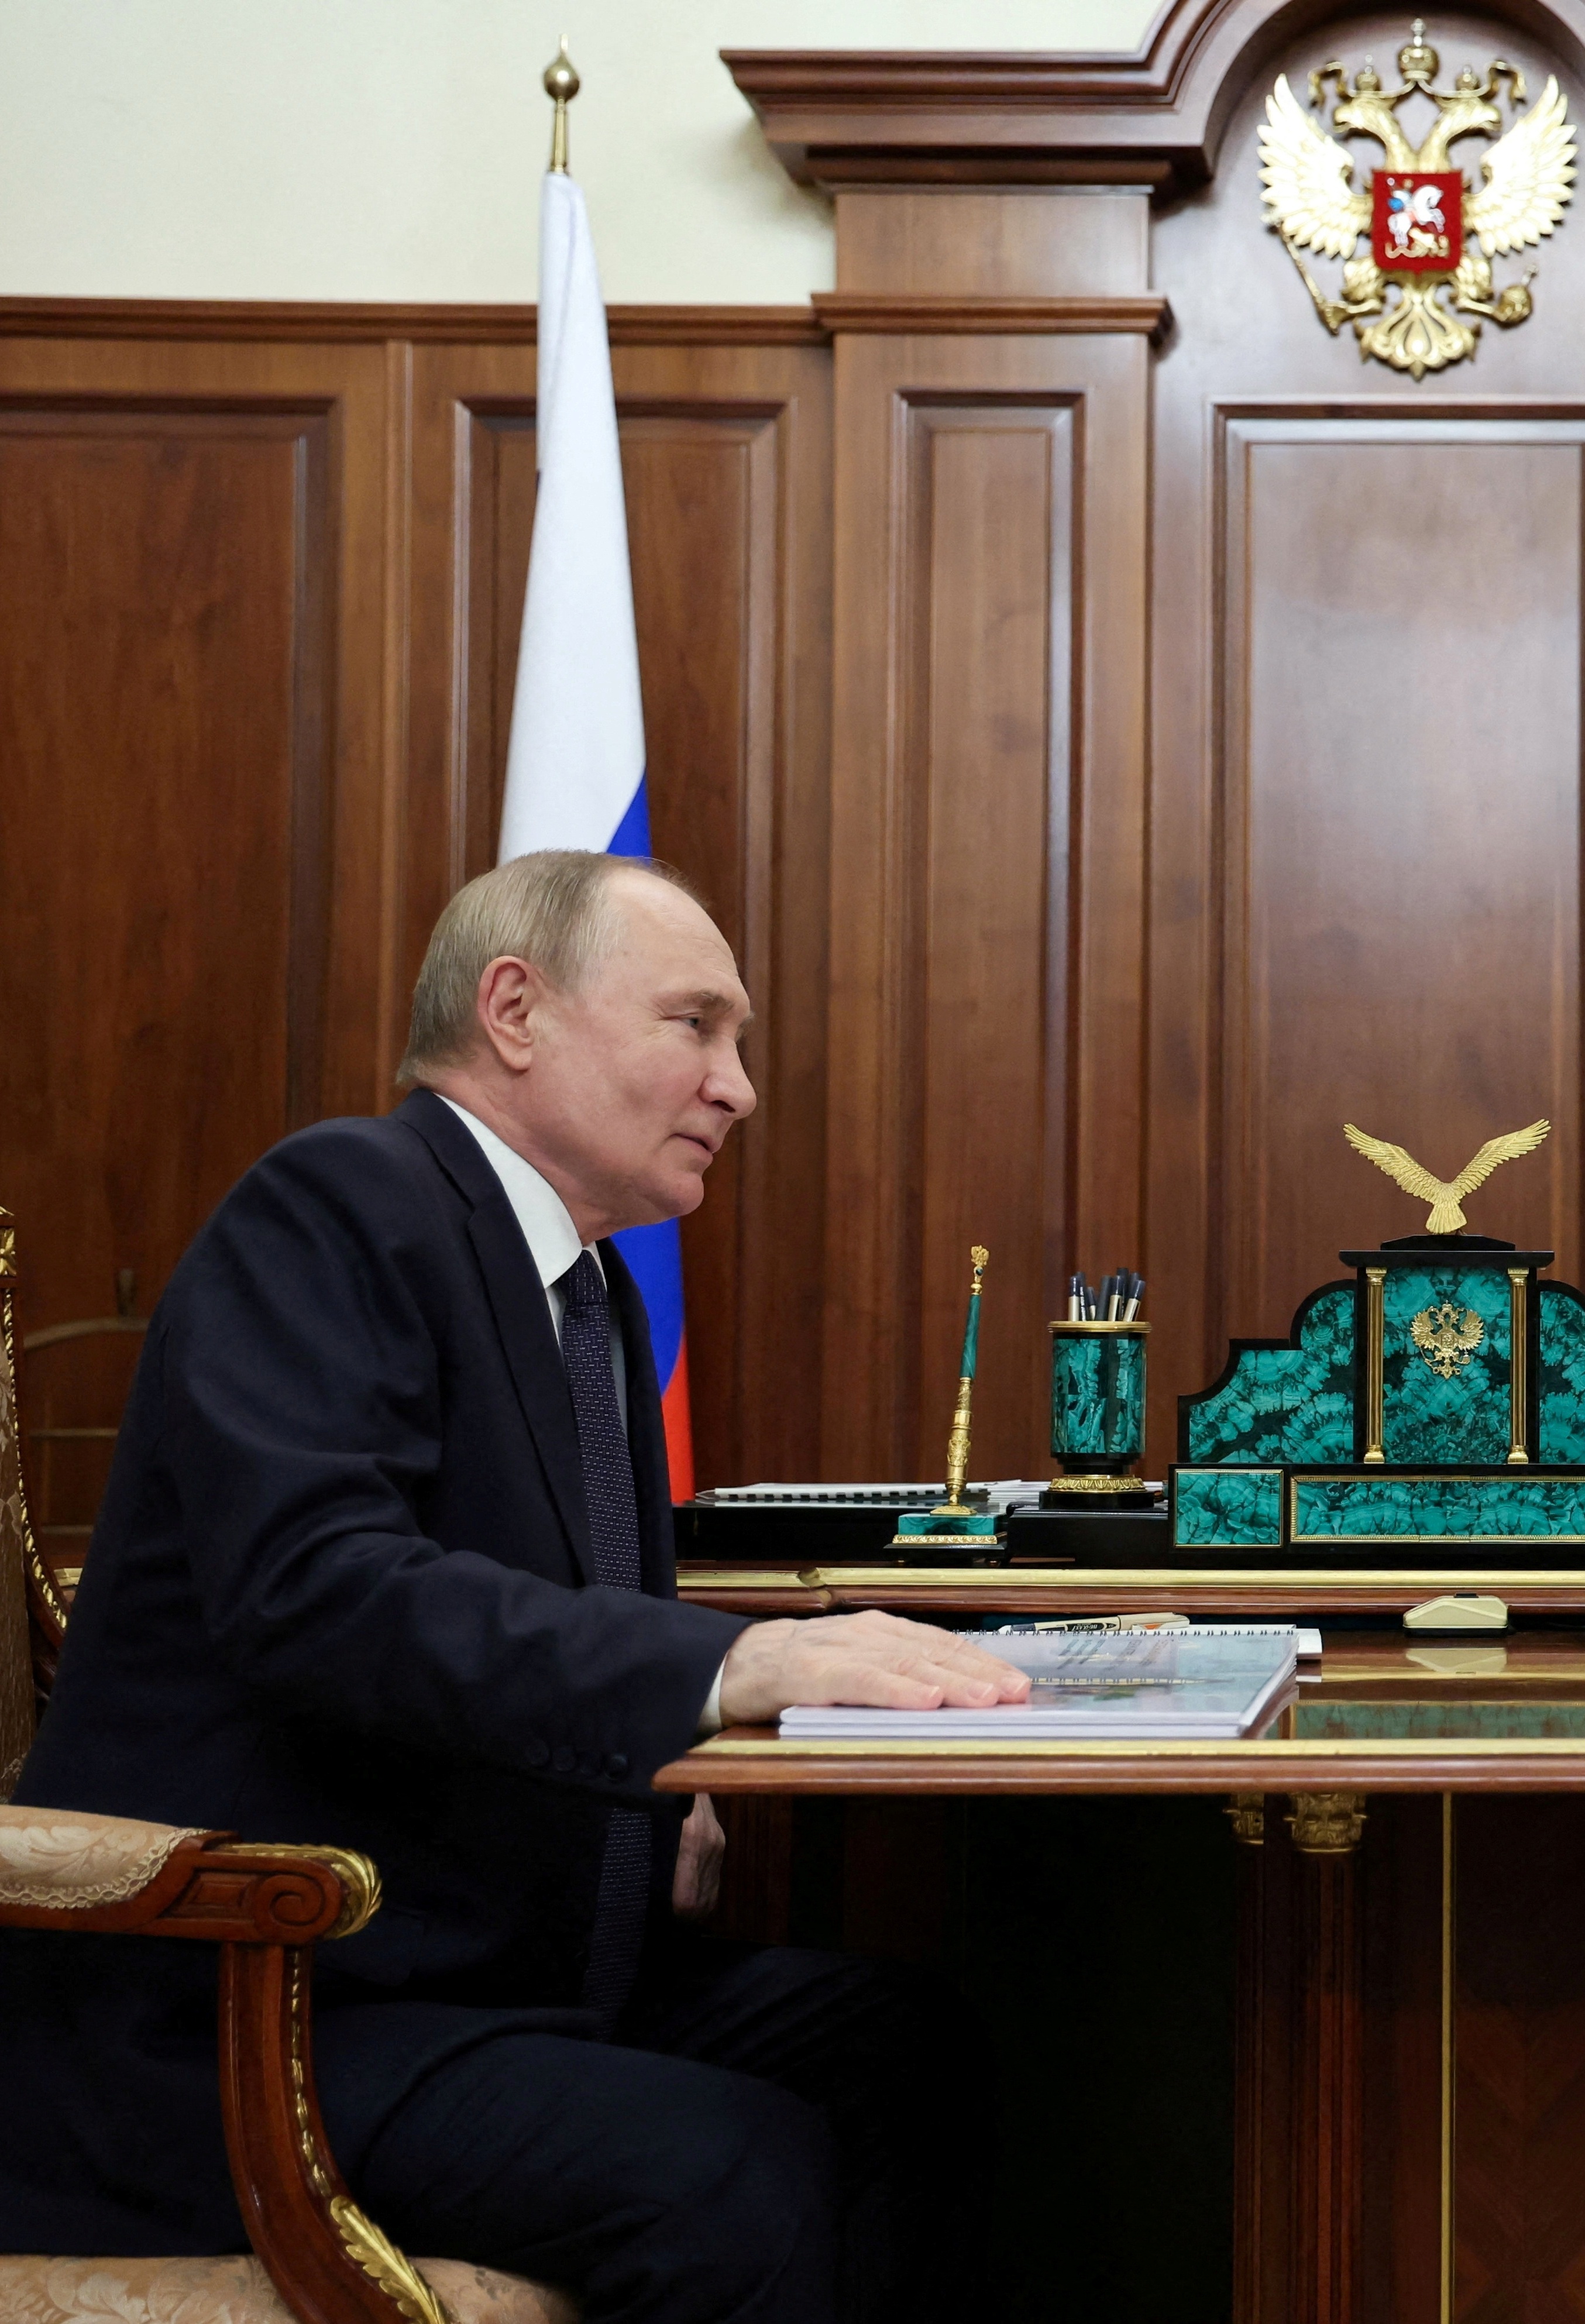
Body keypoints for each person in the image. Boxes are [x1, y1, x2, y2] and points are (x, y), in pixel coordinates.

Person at [2, 851, 1034, 2323]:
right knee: (724, 2167)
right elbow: (319, 1591)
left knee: (900, 2049)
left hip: (492, 1966)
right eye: (696, 1024)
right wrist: (716, 1672)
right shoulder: (338, 1204)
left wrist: (657, 1792)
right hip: (260, 2006)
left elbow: (514, 1601)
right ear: (514, 1010)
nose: (737, 1087)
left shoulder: (589, 1289)